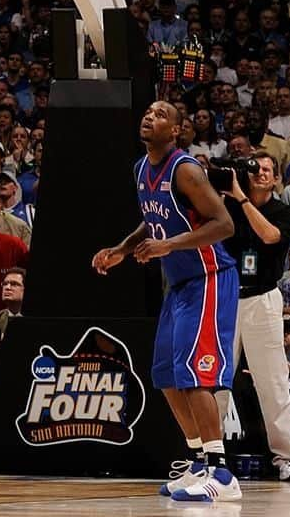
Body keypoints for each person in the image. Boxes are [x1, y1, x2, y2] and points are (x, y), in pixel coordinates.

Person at [92, 101, 241, 501]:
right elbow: (153, 218)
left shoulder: (186, 169)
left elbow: (224, 224)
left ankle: (222, 472)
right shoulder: (141, 169)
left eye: (160, 114)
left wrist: (167, 246)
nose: (149, 116)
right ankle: (196, 460)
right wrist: (124, 249)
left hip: (209, 278)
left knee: (195, 377)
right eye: (148, 112)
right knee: (166, 377)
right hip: (178, 285)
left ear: (175, 130)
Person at [215, 151, 290, 481]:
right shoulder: (225, 206)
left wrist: (240, 197)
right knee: (217, 379)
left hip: (263, 299)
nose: (261, 173)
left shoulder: (283, 211)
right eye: (255, 168)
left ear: (277, 178)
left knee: (273, 381)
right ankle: (210, 455)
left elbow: (269, 236)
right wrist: (228, 192)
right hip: (226, 297)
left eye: (268, 169)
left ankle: (287, 458)